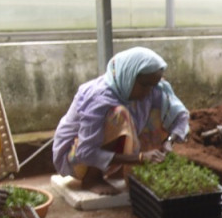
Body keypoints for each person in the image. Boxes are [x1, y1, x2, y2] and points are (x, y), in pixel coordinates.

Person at [52, 47, 189, 194]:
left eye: (152, 85)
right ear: (129, 76)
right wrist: (140, 157)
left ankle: (129, 170)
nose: (149, 91)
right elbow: (85, 152)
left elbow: (180, 116)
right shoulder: (98, 97)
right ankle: (92, 178)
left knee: (163, 109)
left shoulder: (151, 89)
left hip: (104, 154)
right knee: (118, 115)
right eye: (144, 85)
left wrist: (169, 141)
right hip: (76, 157)